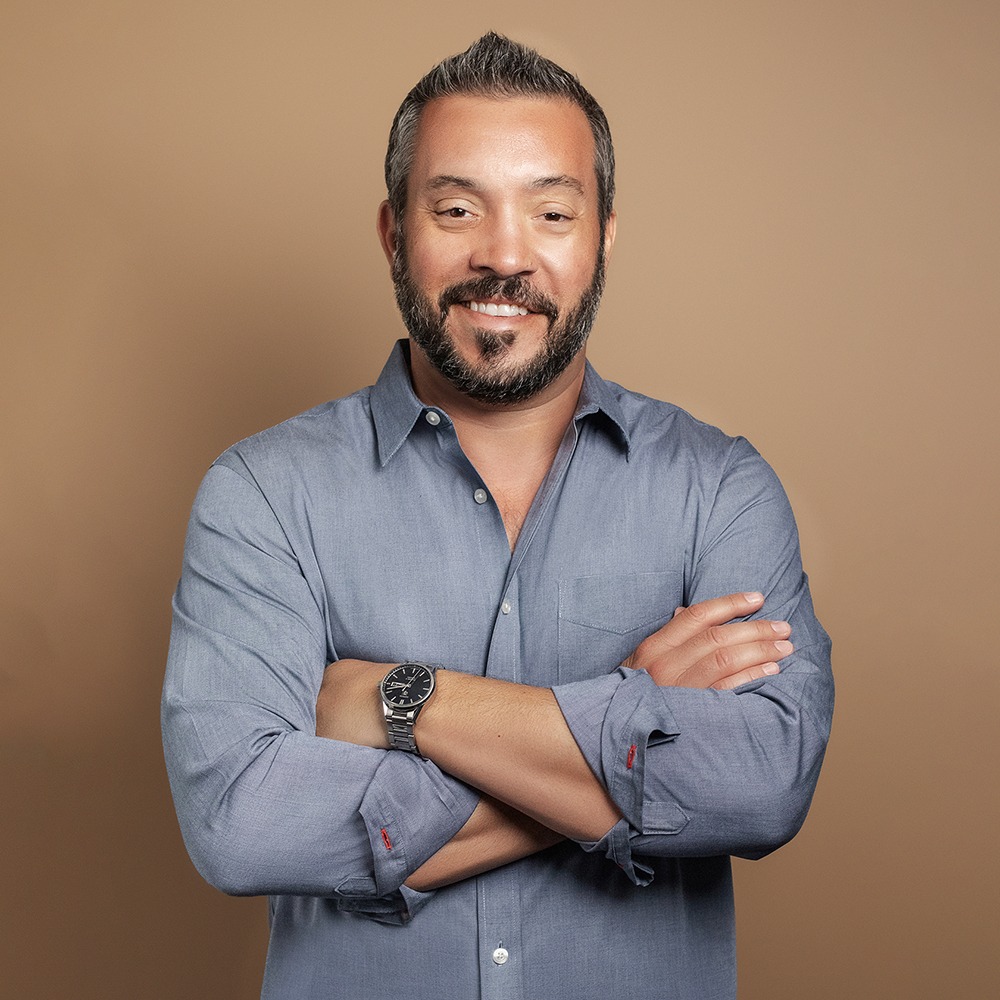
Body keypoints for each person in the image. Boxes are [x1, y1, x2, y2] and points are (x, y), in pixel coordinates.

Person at [162, 32, 833, 1000]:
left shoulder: (716, 488)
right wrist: (631, 701)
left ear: (602, 236)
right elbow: (241, 822)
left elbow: (762, 786)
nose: (504, 254)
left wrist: (406, 701)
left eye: (551, 211)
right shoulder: (262, 495)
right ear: (395, 233)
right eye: (457, 208)